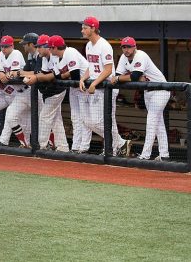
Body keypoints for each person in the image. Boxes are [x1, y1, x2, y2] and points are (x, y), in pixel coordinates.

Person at [111, 37, 170, 161]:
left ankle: (145, 155)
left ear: (135, 47)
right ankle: (164, 155)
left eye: (129, 47)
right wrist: (124, 77)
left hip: (160, 90)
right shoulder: (123, 57)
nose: (126, 50)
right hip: (148, 92)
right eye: (124, 47)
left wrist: (123, 78)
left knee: (151, 121)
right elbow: (118, 75)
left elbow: (133, 76)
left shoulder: (141, 55)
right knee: (159, 124)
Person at [79, 16, 130, 156]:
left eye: (85, 28)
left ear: (93, 28)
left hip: (107, 88)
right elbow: (92, 67)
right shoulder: (89, 45)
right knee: (90, 121)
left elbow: (108, 70)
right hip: (96, 86)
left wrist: (94, 83)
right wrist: (83, 78)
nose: (82, 30)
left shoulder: (104, 45)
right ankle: (117, 144)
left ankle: (115, 145)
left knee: (98, 121)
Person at [23, 34, 70, 152]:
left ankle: (41, 146)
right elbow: (41, 74)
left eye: (40, 47)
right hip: (48, 92)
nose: (38, 49)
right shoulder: (42, 57)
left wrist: (35, 77)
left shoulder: (55, 57)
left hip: (57, 91)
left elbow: (51, 76)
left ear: (47, 47)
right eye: (37, 46)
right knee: (56, 120)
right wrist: (34, 76)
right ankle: (63, 147)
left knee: (44, 117)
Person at [47, 35, 91, 153]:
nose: (49, 50)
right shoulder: (55, 57)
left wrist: (65, 76)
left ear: (55, 47)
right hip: (73, 88)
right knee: (75, 118)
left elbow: (75, 76)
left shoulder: (70, 52)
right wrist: (66, 75)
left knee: (85, 119)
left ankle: (84, 147)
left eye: (50, 47)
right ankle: (76, 147)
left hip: (84, 87)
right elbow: (57, 77)